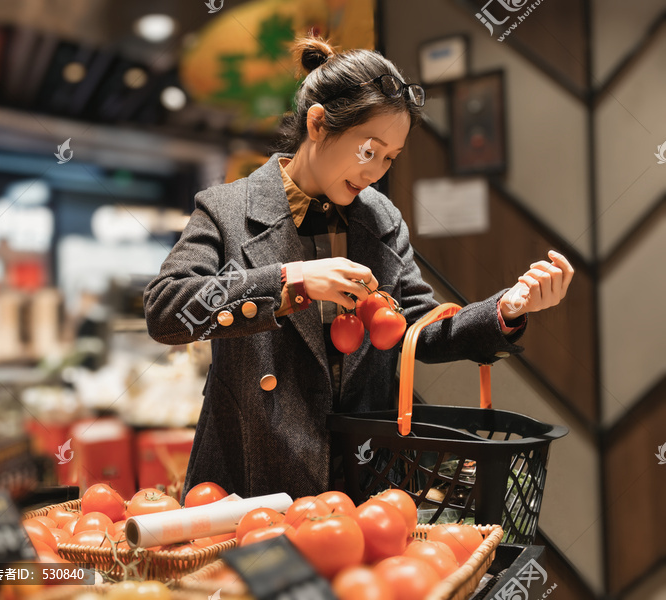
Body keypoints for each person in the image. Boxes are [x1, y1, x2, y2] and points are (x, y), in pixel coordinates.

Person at [143, 35, 573, 501]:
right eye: (370, 150)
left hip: (362, 480)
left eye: (390, 158)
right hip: (252, 479)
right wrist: (291, 280)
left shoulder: (380, 217)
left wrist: (505, 310)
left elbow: (415, 330)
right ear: (318, 124)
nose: (376, 172)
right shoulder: (228, 209)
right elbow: (167, 311)